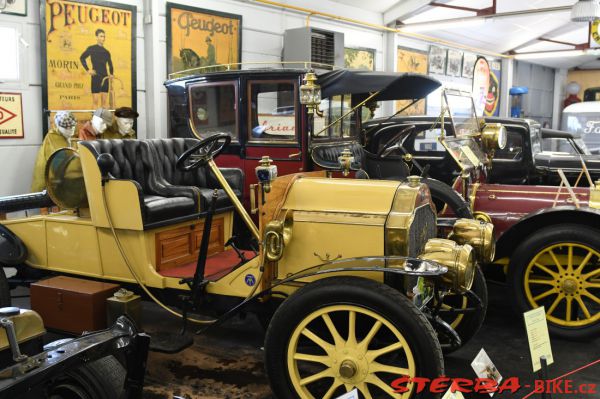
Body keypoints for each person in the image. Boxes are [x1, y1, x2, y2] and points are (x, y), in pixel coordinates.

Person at [31, 111, 77, 192]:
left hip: (55, 181)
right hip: (47, 186)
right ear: (58, 126)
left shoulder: (65, 137)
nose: (70, 130)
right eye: (66, 128)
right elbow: (62, 163)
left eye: (72, 127)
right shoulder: (53, 139)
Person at [80, 29, 114, 109]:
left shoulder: (106, 52)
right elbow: (82, 58)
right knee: (95, 101)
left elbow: (110, 65)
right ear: (97, 37)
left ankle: (103, 121)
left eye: (104, 36)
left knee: (104, 103)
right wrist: (88, 70)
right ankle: (95, 121)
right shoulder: (92, 48)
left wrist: (111, 74)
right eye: (101, 36)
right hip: (96, 77)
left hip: (105, 77)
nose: (103, 38)